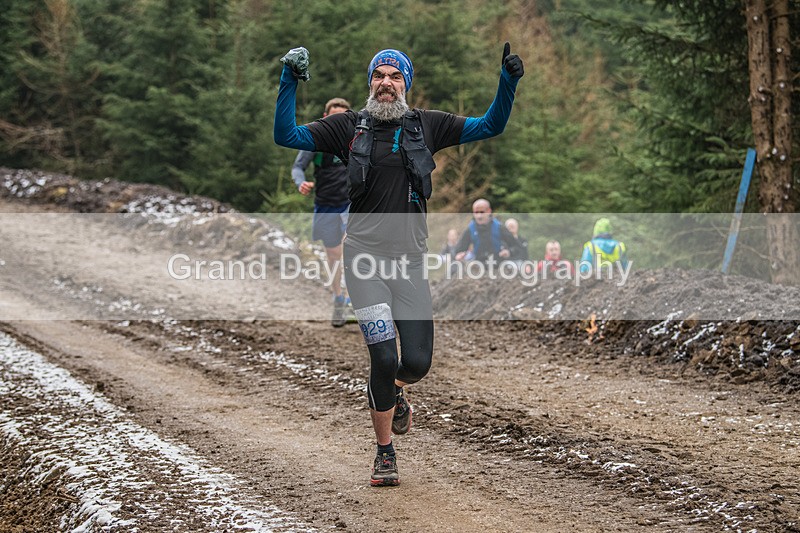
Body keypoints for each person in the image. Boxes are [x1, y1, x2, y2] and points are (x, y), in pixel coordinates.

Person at [274, 43, 523, 486]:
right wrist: (288, 79)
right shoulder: (346, 126)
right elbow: (286, 136)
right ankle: (384, 451)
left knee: (418, 363)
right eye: (379, 76)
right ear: (370, 82)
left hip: (409, 264)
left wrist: (508, 81)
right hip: (364, 263)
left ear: (406, 84)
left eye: (394, 76)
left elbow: (491, 125)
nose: (386, 83)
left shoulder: (428, 124)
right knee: (384, 357)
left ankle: (395, 392)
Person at [291, 97, 353, 327]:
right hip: (326, 204)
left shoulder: (357, 140)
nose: (338, 123)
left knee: (352, 248)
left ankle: (354, 300)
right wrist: (301, 183)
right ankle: (339, 298)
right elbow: (298, 167)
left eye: (343, 118)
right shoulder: (316, 140)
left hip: (351, 203)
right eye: (334, 117)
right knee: (333, 255)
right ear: (326, 117)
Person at [454, 199, 520, 264]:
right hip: (478, 265)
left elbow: (517, 247)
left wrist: (509, 252)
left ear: (489, 211)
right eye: (476, 212)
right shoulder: (470, 229)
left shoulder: (499, 227)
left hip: (498, 264)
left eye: (482, 212)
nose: (479, 216)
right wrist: (460, 255)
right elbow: (458, 250)